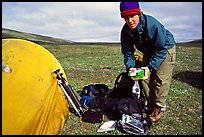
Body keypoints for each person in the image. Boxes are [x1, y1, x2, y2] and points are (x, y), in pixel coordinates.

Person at [119, 2, 176, 124]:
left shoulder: (151, 24)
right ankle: (150, 105)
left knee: (161, 80)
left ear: (139, 13)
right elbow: (128, 52)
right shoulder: (125, 31)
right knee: (143, 77)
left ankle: (158, 108)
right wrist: (131, 68)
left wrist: (150, 67)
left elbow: (161, 48)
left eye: (132, 16)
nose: (130, 20)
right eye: (125, 17)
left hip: (165, 48)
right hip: (149, 50)